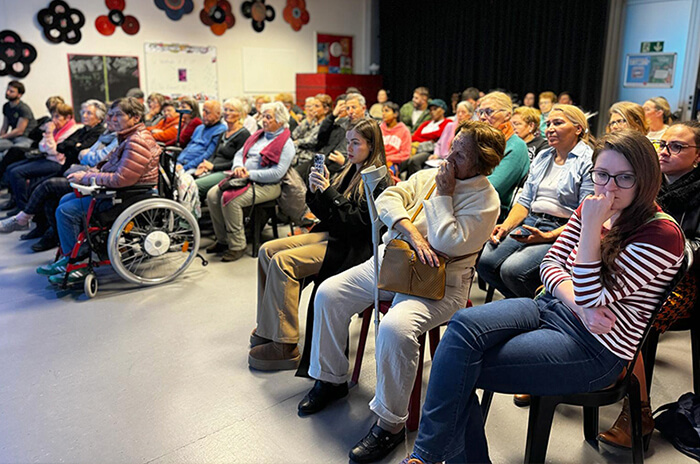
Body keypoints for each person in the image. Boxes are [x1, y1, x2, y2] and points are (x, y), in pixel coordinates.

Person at [403, 130, 685, 464]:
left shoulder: (661, 235)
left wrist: (592, 231)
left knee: (457, 367)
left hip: (595, 349)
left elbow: (591, 292)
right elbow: (551, 266)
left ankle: (427, 457)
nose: (609, 187)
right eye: (602, 175)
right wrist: (580, 306)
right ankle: (431, 456)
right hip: (554, 309)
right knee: (463, 326)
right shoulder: (592, 206)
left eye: (625, 178)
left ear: (646, 179)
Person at [299, 120, 504, 463]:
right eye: (453, 145)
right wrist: (410, 231)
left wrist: (443, 194)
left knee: (395, 328)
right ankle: (332, 379)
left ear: (481, 163)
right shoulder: (432, 174)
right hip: (392, 263)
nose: (450, 155)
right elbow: (389, 197)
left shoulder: (486, 201)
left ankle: (390, 425)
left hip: (438, 285)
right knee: (329, 293)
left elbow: (447, 242)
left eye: (462, 153)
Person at [248, 118, 392, 370]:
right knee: (267, 251)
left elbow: (357, 222)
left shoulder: (379, 179)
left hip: (353, 247)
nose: (348, 148)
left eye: (355, 143)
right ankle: (269, 326)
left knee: (283, 262)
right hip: (335, 234)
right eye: (348, 142)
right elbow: (328, 214)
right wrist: (316, 191)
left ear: (372, 145)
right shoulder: (350, 169)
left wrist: (328, 193)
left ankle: (285, 344)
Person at [597, 121, 700, 449]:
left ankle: (636, 412)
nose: (665, 152)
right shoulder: (650, 185)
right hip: (641, 266)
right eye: (663, 144)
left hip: (683, 281)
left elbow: (694, 247)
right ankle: (595, 371)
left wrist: (657, 254)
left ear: (698, 156)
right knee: (599, 294)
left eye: (677, 147)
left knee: (627, 310)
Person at [36, 97, 161, 284]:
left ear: (135, 118)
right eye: (111, 115)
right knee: (65, 200)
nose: (113, 119)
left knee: (66, 211)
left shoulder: (137, 142)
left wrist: (86, 178)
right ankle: (72, 256)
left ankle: (76, 264)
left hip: (130, 196)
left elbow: (122, 179)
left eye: (118, 115)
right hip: (122, 191)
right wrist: (91, 172)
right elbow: (108, 164)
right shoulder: (127, 137)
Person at [477, 104, 593, 299]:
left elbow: (585, 216)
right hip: (532, 222)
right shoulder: (543, 156)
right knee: (484, 262)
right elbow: (525, 202)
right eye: (547, 124)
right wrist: (505, 226)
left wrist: (548, 237)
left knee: (513, 270)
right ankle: (523, 304)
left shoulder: (588, 160)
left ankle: (541, 308)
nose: (549, 129)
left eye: (558, 123)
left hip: (564, 229)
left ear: (578, 129)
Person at [0, 104, 115, 250]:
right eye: (83, 112)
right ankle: (42, 228)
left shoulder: (101, 134)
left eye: (88, 113)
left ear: (98, 118)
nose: (84, 116)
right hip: (72, 169)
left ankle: (39, 228)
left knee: (45, 186)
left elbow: (92, 158)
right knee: (32, 182)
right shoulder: (96, 133)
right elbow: (62, 147)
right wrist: (77, 148)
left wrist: (77, 149)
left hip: (81, 174)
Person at [205, 101, 295, 262]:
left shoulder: (286, 144)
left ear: (280, 121)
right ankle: (222, 239)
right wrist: (238, 166)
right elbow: (240, 154)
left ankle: (237, 245)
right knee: (212, 195)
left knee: (230, 200)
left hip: (269, 185)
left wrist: (249, 174)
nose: (263, 120)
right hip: (243, 177)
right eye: (263, 116)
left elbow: (277, 173)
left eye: (268, 117)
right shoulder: (258, 136)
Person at [3, 103, 80, 215]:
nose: (53, 120)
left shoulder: (71, 131)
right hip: (47, 157)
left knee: (17, 173)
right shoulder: (58, 128)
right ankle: (17, 203)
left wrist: (48, 133)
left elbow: (54, 150)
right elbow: (42, 146)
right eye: (53, 116)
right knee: (11, 168)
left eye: (57, 117)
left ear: (68, 117)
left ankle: (24, 210)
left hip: (57, 162)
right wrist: (49, 139)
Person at [477, 91, 529, 219]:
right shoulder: (479, 140)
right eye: (480, 112)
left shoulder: (516, 146)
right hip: (471, 203)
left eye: (489, 111)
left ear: (507, 115)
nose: (483, 117)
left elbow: (493, 188)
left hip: (494, 212)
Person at [194, 98, 250, 197]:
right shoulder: (223, 133)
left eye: (231, 110)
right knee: (188, 180)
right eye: (226, 109)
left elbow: (238, 162)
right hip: (214, 169)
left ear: (240, 114)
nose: (227, 113)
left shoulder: (244, 135)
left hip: (227, 172)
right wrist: (205, 165)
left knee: (195, 186)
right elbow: (214, 154)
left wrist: (213, 167)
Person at [403, 99, 451, 177]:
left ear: (443, 110)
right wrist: (427, 139)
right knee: (402, 158)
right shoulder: (426, 123)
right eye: (431, 110)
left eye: (435, 109)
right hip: (417, 147)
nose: (432, 112)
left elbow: (437, 135)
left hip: (431, 150)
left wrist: (422, 138)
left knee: (415, 160)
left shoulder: (447, 122)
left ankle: (421, 182)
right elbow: (414, 137)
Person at [176, 100, 226, 172]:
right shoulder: (199, 128)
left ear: (218, 114)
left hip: (197, 166)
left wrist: (185, 167)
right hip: (182, 163)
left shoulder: (220, 130)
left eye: (207, 112)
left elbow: (208, 155)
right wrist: (178, 162)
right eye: (203, 111)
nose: (203, 114)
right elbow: (189, 146)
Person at [0, 81, 37, 157]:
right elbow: (4, 126)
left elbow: (19, 131)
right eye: (7, 90)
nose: (7, 92)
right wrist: (1, 137)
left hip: (25, 138)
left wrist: (3, 137)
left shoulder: (23, 108)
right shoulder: (6, 106)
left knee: (6, 154)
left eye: (11, 91)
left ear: (19, 95)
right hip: (12, 138)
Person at [291, 95, 326, 166]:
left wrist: (297, 142)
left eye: (315, 106)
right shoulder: (309, 121)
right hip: (298, 156)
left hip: (311, 157)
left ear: (325, 109)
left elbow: (313, 140)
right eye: (308, 107)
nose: (311, 109)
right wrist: (307, 121)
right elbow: (294, 135)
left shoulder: (325, 123)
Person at [380, 101, 411, 174]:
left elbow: (405, 154)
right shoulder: (379, 128)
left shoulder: (404, 131)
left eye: (386, 111)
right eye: (382, 111)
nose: (383, 114)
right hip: (378, 159)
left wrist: (388, 158)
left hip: (394, 163)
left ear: (395, 114)